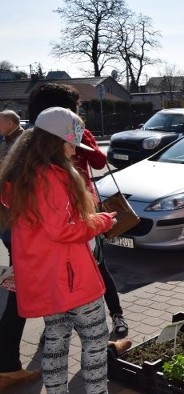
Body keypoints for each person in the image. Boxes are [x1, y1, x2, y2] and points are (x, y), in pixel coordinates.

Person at [0, 107, 117, 393]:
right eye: (70, 144)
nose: (73, 151)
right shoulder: (50, 177)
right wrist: (102, 221)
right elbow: (62, 229)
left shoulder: (22, 174)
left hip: (47, 276)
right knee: (95, 339)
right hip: (70, 276)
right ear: (55, 141)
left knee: (56, 336)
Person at [28, 82, 129, 338]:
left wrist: (81, 138)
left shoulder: (76, 133)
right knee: (74, 269)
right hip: (71, 217)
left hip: (84, 207)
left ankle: (115, 314)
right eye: (77, 106)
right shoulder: (38, 145)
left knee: (97, 265)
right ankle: (64, 326)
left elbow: (99, 161)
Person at [0, 110, 36, 391]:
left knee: (17, 295)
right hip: (25, 240)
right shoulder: (31, 164)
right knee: (18, 298)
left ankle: (8, 365)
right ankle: (8, 366)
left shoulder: (14, 154)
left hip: (15, 234)